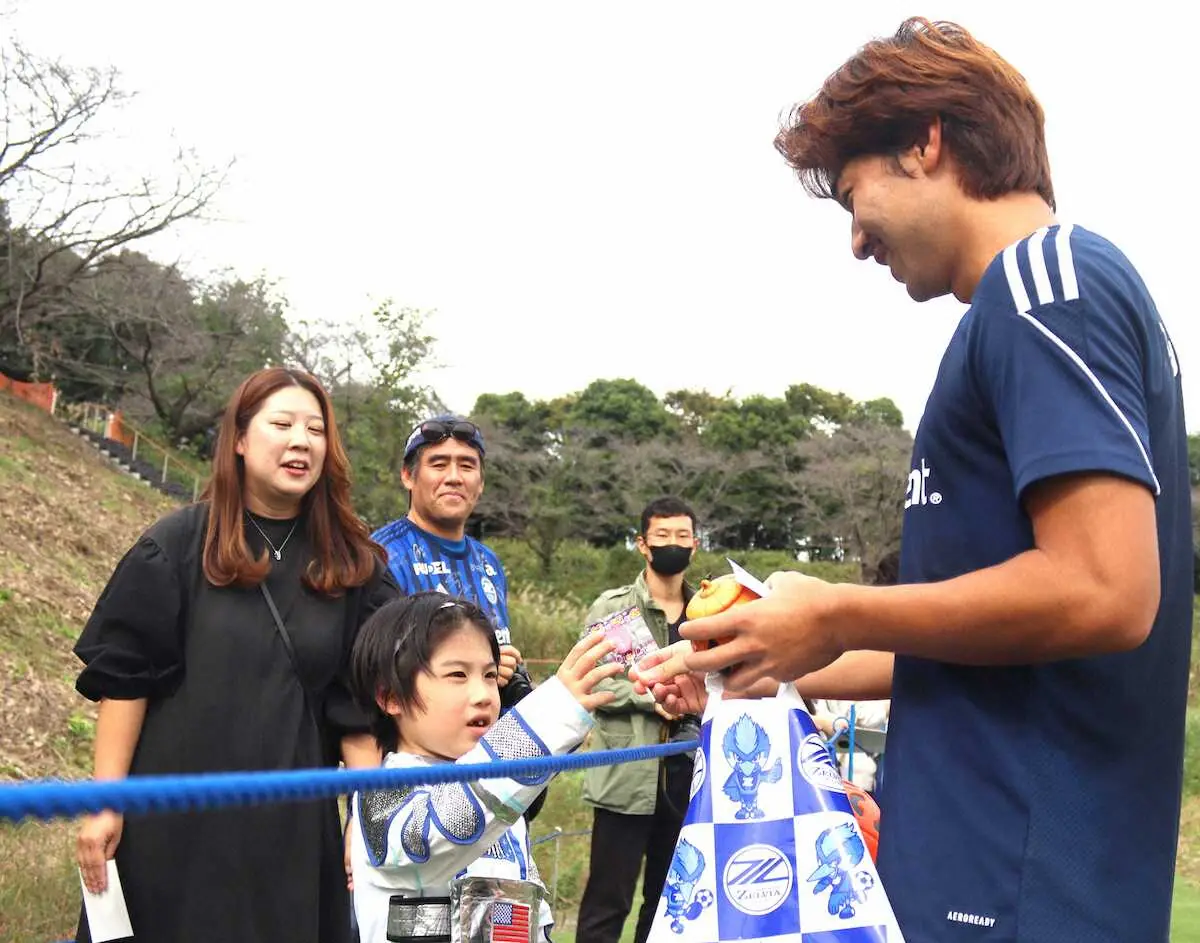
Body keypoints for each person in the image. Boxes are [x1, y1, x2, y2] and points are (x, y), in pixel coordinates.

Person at [634, 18, 1190, 942]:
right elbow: (975, 638)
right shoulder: (1015, 311)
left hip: (1023, 885)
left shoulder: (1046, 283)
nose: (855, 241)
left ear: (924, 143)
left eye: (855, 196)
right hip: (990, 874)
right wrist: (771, 661)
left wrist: (839, 609)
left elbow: (1105, 590)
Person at [73, 367, 398, 943]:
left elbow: (360, 709)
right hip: (173, 820)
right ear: (241, 440)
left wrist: (364, 819)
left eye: (316, 429)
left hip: (291, 828)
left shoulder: (355, 568)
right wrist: (106, 800)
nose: (301, 440)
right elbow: (125, 681)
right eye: (283, 424)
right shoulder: (175, 545)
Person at [347, 593, 622, 943]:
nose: (484, 695)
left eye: (490, 675)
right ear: (391, 697)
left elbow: (529, 918)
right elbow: (450, 821)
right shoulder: (383, 793)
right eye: (458, 674)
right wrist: (553, 714)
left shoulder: (500, 800)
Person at [576, 497, 701, 943]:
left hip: (691, 779)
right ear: (642, 544)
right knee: (607, 903)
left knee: (670, 902)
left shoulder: (710, 612)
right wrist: (655, 701)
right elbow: (589, 683)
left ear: (696, 544)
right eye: (662, 536)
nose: (673, 545)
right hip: (626, 777)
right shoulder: (613, 609)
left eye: (682, 536)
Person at [371, 414, 534, 710]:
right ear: (408, 476)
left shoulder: (488, 562)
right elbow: (373, 667)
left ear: (481, 482)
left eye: (467, 465)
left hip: (488, 739)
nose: (454, 477)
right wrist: (479, 665)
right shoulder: (380, 555)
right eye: (439, 464)